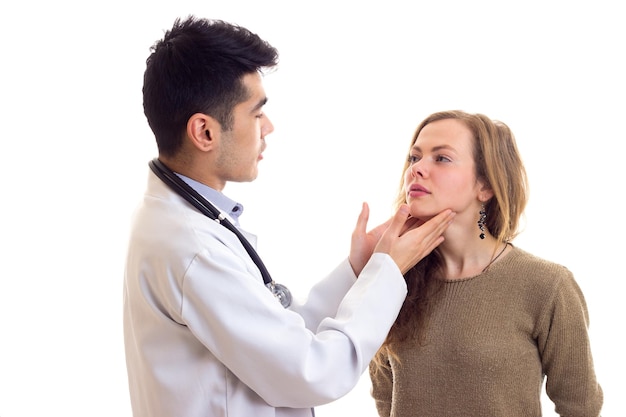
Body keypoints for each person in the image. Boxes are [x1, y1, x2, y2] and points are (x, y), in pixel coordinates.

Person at [123, 16, 456, 417]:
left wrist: (359, 268)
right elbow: (311, 372)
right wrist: (385, 273)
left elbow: (281, 337)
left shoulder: (186, 223)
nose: (269, 127)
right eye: (256, 113)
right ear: (204, 132)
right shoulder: (191, 248)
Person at [369, 110, 603, 416]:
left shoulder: (547, 285)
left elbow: (580, 407)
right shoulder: (393, 280)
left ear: (485, 186)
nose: (417, 169)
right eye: (415, 158)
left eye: (441, 158)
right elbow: (385, 401)